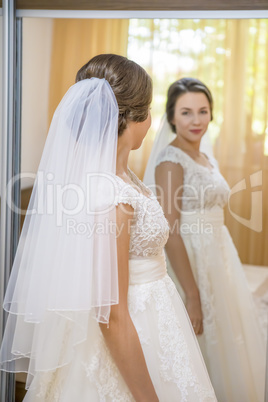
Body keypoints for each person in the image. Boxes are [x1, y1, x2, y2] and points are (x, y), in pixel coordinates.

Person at [0, 56, 217, 401]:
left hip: (156, 321)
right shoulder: (111, 196)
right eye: (148, 111)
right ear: (135, 118)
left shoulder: (121, 177)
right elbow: (112, 315)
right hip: (134, 328)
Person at [144, 77, 266, 402]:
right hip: (190, 262)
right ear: (171, 118)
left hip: (218, 257)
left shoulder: (204, 156)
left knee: (227, 341)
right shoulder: (171, 161)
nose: (196, 120)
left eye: (202, 111)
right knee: (198, 342)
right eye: (186, 113)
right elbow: (169, 231)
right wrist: (192, 294)